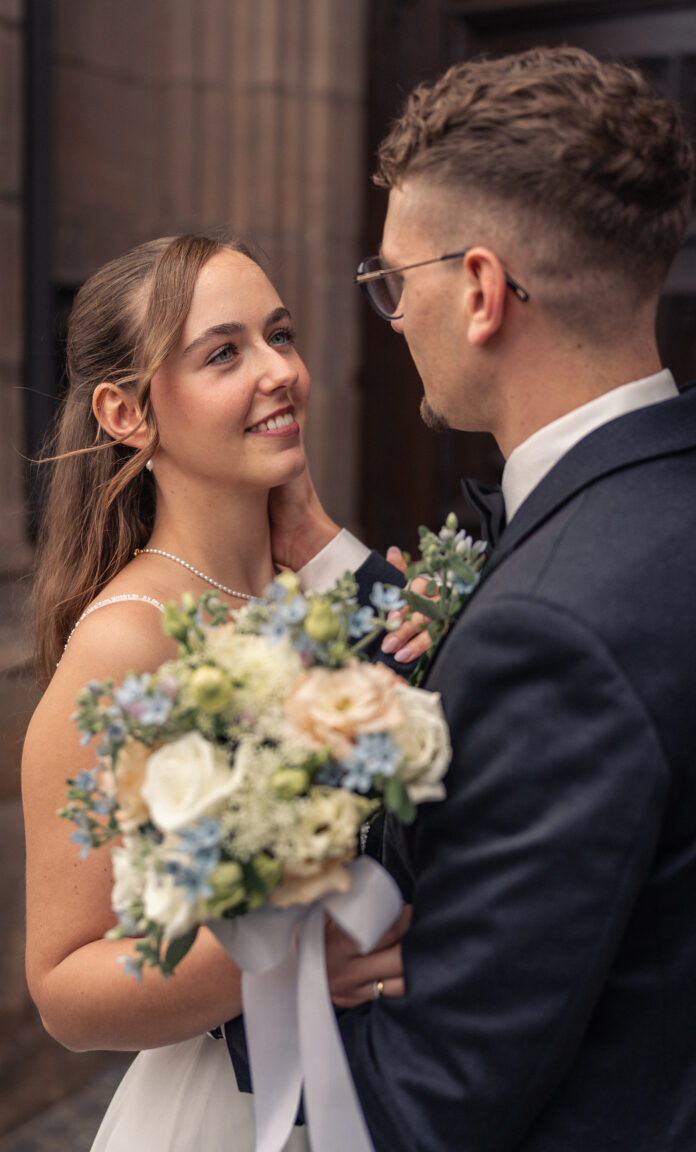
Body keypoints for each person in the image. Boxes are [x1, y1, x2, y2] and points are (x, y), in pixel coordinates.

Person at [228, 46, 696, 1151]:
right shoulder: (651, 508)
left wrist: (249, 983)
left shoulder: (552, 634)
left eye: (396, 282)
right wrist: (329, 554)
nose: (392, 318)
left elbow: (429, 1102)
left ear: (482, 291)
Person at [21, 233, 415, 1151]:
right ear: (126, 411)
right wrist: (284, 958)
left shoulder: (318, 593)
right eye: (223, 353)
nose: (280, 372)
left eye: (280, 335)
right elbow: (64, 988)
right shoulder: (128, 640)